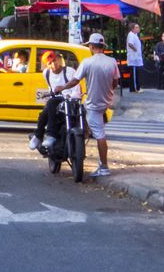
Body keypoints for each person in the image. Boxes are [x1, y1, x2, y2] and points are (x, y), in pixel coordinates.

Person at [51, 33, 119, 177]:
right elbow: (115, 82)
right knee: (90, 125)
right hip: (106, 101)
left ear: (92, 46)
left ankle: (104, 167)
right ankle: (84, 141)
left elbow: (75, 81)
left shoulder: (87, 62)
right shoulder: (112, 61)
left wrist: (62, 87)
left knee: (100, 135)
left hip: (93, 104)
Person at [29, 51, 80, 151]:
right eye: (50, 63)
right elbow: (51, 88)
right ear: (47, 65)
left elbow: (76, 89)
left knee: (51, 103)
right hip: (55, 101)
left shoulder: (69, 71)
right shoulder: (46, 73)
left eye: (55, 60)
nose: (54, 64)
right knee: (44, 113)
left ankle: (49, 134)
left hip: (69, 101)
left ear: (59, 59)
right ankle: (39, 136)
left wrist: (71, 96)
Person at [126, 23, 144, 93]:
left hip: (136, 58)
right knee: (134, 74)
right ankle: (135, 88)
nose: (138, 29)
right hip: (133, 58)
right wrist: (135, 49)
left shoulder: (135, 35)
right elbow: (130, 44)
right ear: (133, 29)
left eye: (138, 27)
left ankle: (134, 88)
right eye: (136, 27)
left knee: (135, 73)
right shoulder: (131, 35)